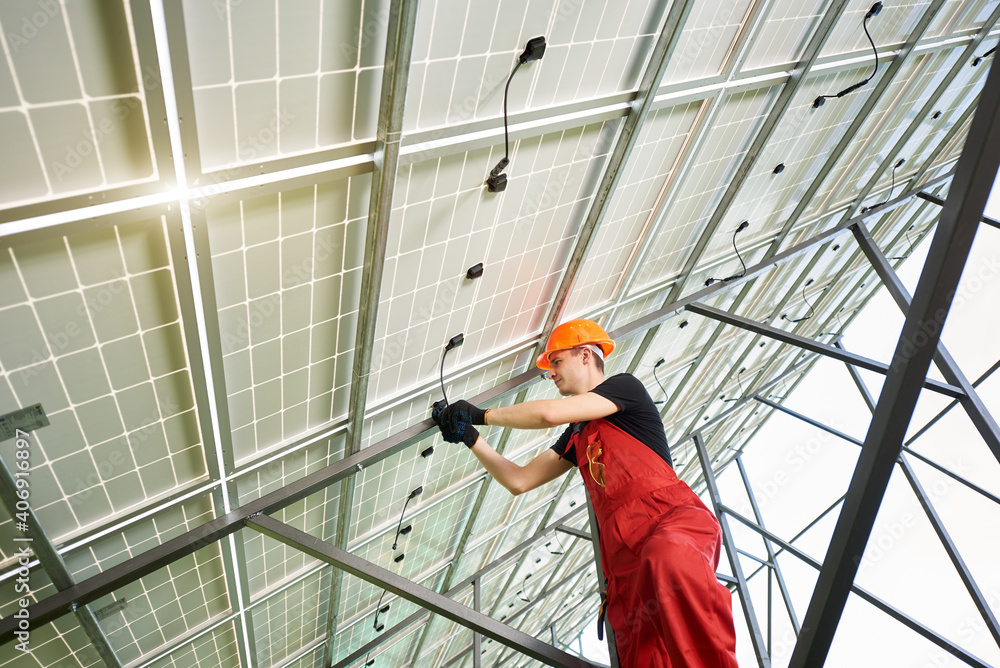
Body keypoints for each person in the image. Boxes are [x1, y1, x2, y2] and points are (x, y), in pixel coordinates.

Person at [432, 319, 739, 668]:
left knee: (670, 561)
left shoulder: (625, 388)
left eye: (556, 362)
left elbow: (548, 413)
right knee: (644, 656)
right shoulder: (576, 435)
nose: (551, 373)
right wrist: (471, 437)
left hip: (666, 518)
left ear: (584, 355)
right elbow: (519, 481)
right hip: (623, 559)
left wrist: (481, 414)